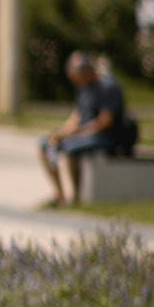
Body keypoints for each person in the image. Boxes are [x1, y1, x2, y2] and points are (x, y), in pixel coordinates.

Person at [38, 51, 129, 207]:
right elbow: (76, 117)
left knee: (70, 148)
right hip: (84, 135)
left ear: (87, 72)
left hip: (106, 137)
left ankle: (76, 196)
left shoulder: (109, 87)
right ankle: (60, 196)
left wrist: (78, 133)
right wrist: (61, 133)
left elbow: (105, 122)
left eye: (76, 78)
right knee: (45, 145)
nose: (76, 83)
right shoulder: (84, 88)